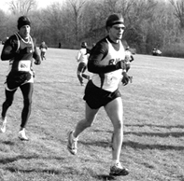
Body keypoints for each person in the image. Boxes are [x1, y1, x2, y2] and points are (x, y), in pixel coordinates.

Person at [67, 13, 131, 177]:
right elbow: (93, 66)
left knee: (119, 124)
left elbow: (119, 64)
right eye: (117, 28)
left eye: (122, 28)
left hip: (112, 92)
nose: (120, 31)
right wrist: (116, 65)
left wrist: (123, 73)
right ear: (108, 29)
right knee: (88, 122)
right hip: (96, 91)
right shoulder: (103, 46)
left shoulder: (121, 45)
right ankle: (73, 136)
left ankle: (115, 164)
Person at [0, 16, 41, 141]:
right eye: (23, 27)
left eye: (28, 26)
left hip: (27, 76)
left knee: (28, 101)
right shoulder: (14, 40)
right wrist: (19, 52)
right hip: (14, 76)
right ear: (19, 28)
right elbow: (3, 56)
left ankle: (22, 130)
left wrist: (38, 59)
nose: (26, 29)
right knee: (9, 101)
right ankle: (3, 118)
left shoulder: (32, 40)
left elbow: (34, 53)